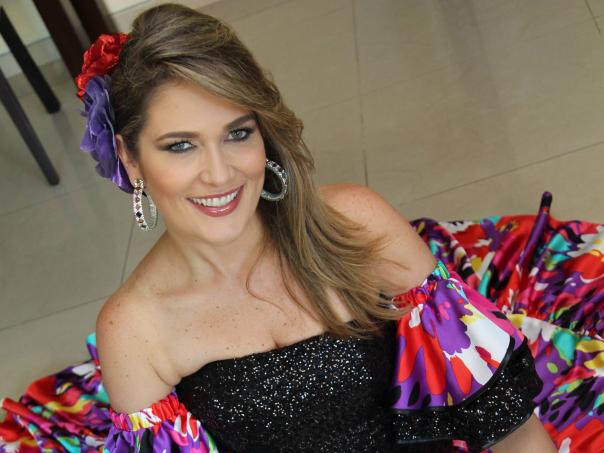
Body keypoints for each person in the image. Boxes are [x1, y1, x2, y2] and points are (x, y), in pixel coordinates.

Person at [0, 3, 600, 452]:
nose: (220, 173)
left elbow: (512, 427)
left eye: (238, 133)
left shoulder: (356, 223)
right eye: (180, 145)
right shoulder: (134, 330)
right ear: (130, 160)